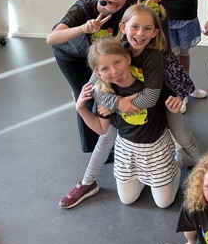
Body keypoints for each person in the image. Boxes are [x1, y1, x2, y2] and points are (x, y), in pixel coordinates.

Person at [59, 5, 202, 209]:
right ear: (123, 27)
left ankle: (207, 170)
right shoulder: (116, 48)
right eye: (135, 27)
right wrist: (115, 103)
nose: (140, 34)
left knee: (183, 138)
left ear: (155, 32)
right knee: (105, 139)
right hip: (129, 114)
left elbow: (155, 95)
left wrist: (117, 105)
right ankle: (87, 182)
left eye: (147, 28)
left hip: (163, 103)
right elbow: (94, 86)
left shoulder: (154, 56)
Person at [74, 38, 181, 208]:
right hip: (127, 151)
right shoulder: (105, 93)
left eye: (117, 62)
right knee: (127, 200)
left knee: (164, 203)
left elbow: (174, 97)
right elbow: (102, 129)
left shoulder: (149, 85)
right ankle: (145, 177)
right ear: (98, 74)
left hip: (156, 150)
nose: (114, 71)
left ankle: (176, 165)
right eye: (105, 68)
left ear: (128, 59)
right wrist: (80, 108)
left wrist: (177, 102)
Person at [46, 0, 130, 152]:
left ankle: (107, 138)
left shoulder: (122, 13)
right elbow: (51, 38)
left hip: (96, 58)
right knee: (84, 94)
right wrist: (84, 28)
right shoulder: (82, 8)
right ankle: (91, 146)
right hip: (70, 55)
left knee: (102, 91)